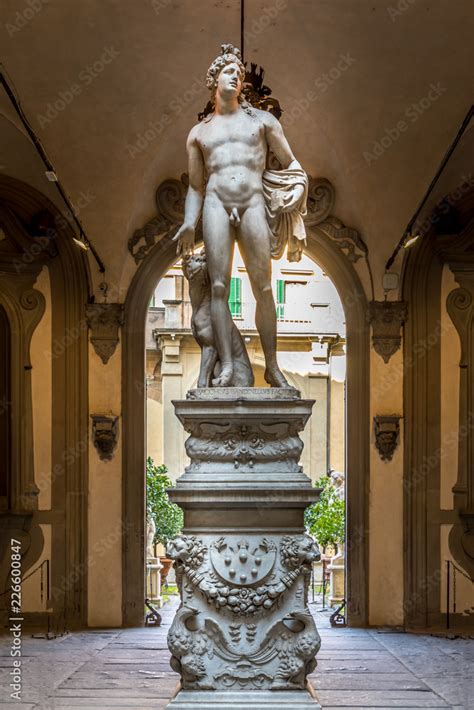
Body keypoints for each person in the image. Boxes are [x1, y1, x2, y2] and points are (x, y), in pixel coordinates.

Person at [174, 44, 308, 387]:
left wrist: (299, 186)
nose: (236, 76)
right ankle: (230, 366)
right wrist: (190, 222)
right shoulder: (199, 133)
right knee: (218, 287)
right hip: (216, 204)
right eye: (228, 72)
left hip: (252, 204)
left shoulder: (264, 122)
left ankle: (273, 366)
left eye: (239, 73)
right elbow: (196, 187)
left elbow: (292, 163)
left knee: (263, 286)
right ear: (213, 80)